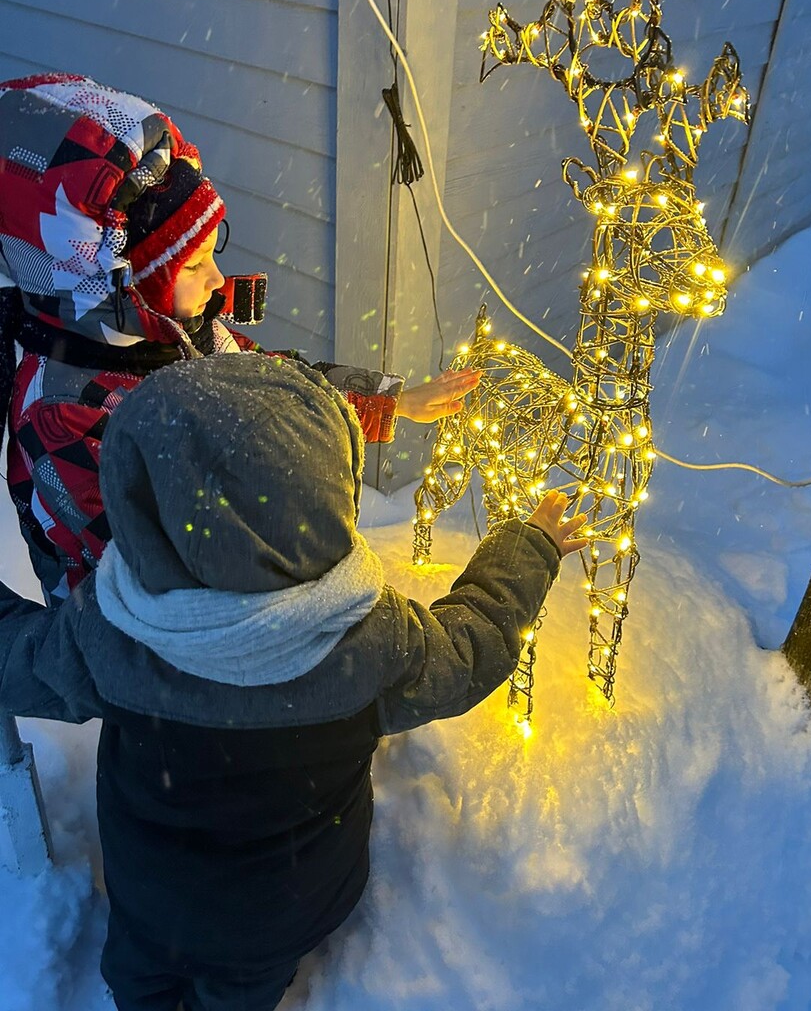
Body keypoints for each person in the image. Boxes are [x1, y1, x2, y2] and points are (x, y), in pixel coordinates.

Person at [0, 351, 587, 1011]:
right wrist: (526, 548)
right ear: (326, 496)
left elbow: (15, 659)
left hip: (153, 897)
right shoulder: (369, 642)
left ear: (143, 500)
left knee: (138, 978)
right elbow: (472, 648)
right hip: (282, 909)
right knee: (242, 990)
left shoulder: (115, 635)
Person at [0, 73, 478, 607]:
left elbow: (276, 387)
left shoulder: (172, 335)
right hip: (124, 645)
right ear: (126, 284)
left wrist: (390, 404)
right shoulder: (61, 410)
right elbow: (142, 572)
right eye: (195, 263)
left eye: (214, 251)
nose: (219, 282)